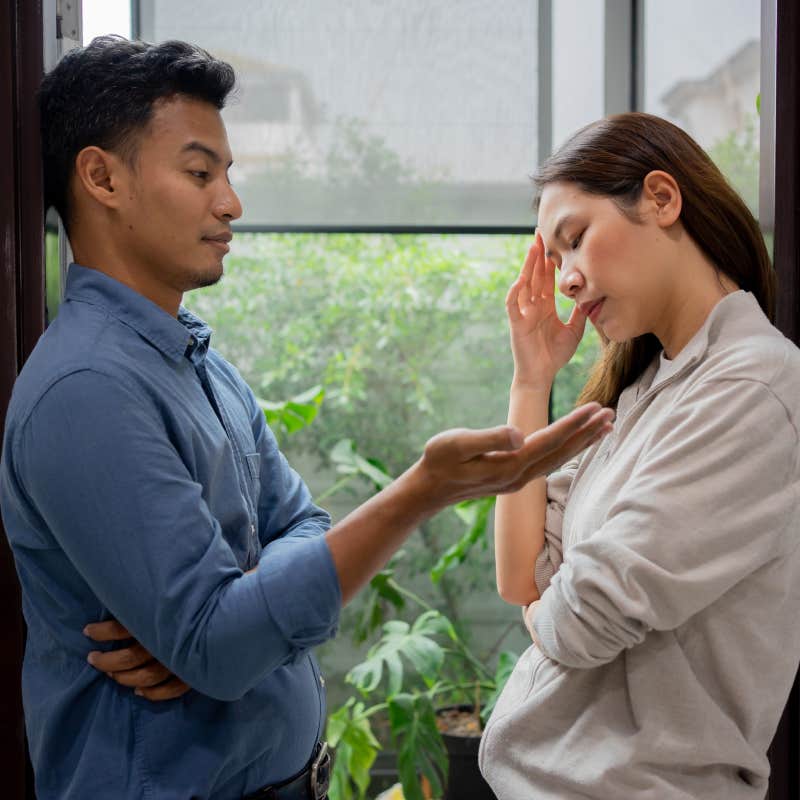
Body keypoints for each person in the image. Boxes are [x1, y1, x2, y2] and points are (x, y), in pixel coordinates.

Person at [0, 36, 613, 800]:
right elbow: (225, 645)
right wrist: (419, 492)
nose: (231, 202)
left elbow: (304, 526)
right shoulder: (87, 390)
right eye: (199, 173)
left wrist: (217, 628)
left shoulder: (199, 364)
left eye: (227, 174)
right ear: (101, 178)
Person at [479, 111, 800, 800]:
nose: (564, 279)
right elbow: (518, 574)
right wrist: (531, 380)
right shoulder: (646, 393)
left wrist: (550, 602)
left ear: (661, 198)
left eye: (574, 241)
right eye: (554, 259)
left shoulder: (755, 386)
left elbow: (578, 623)